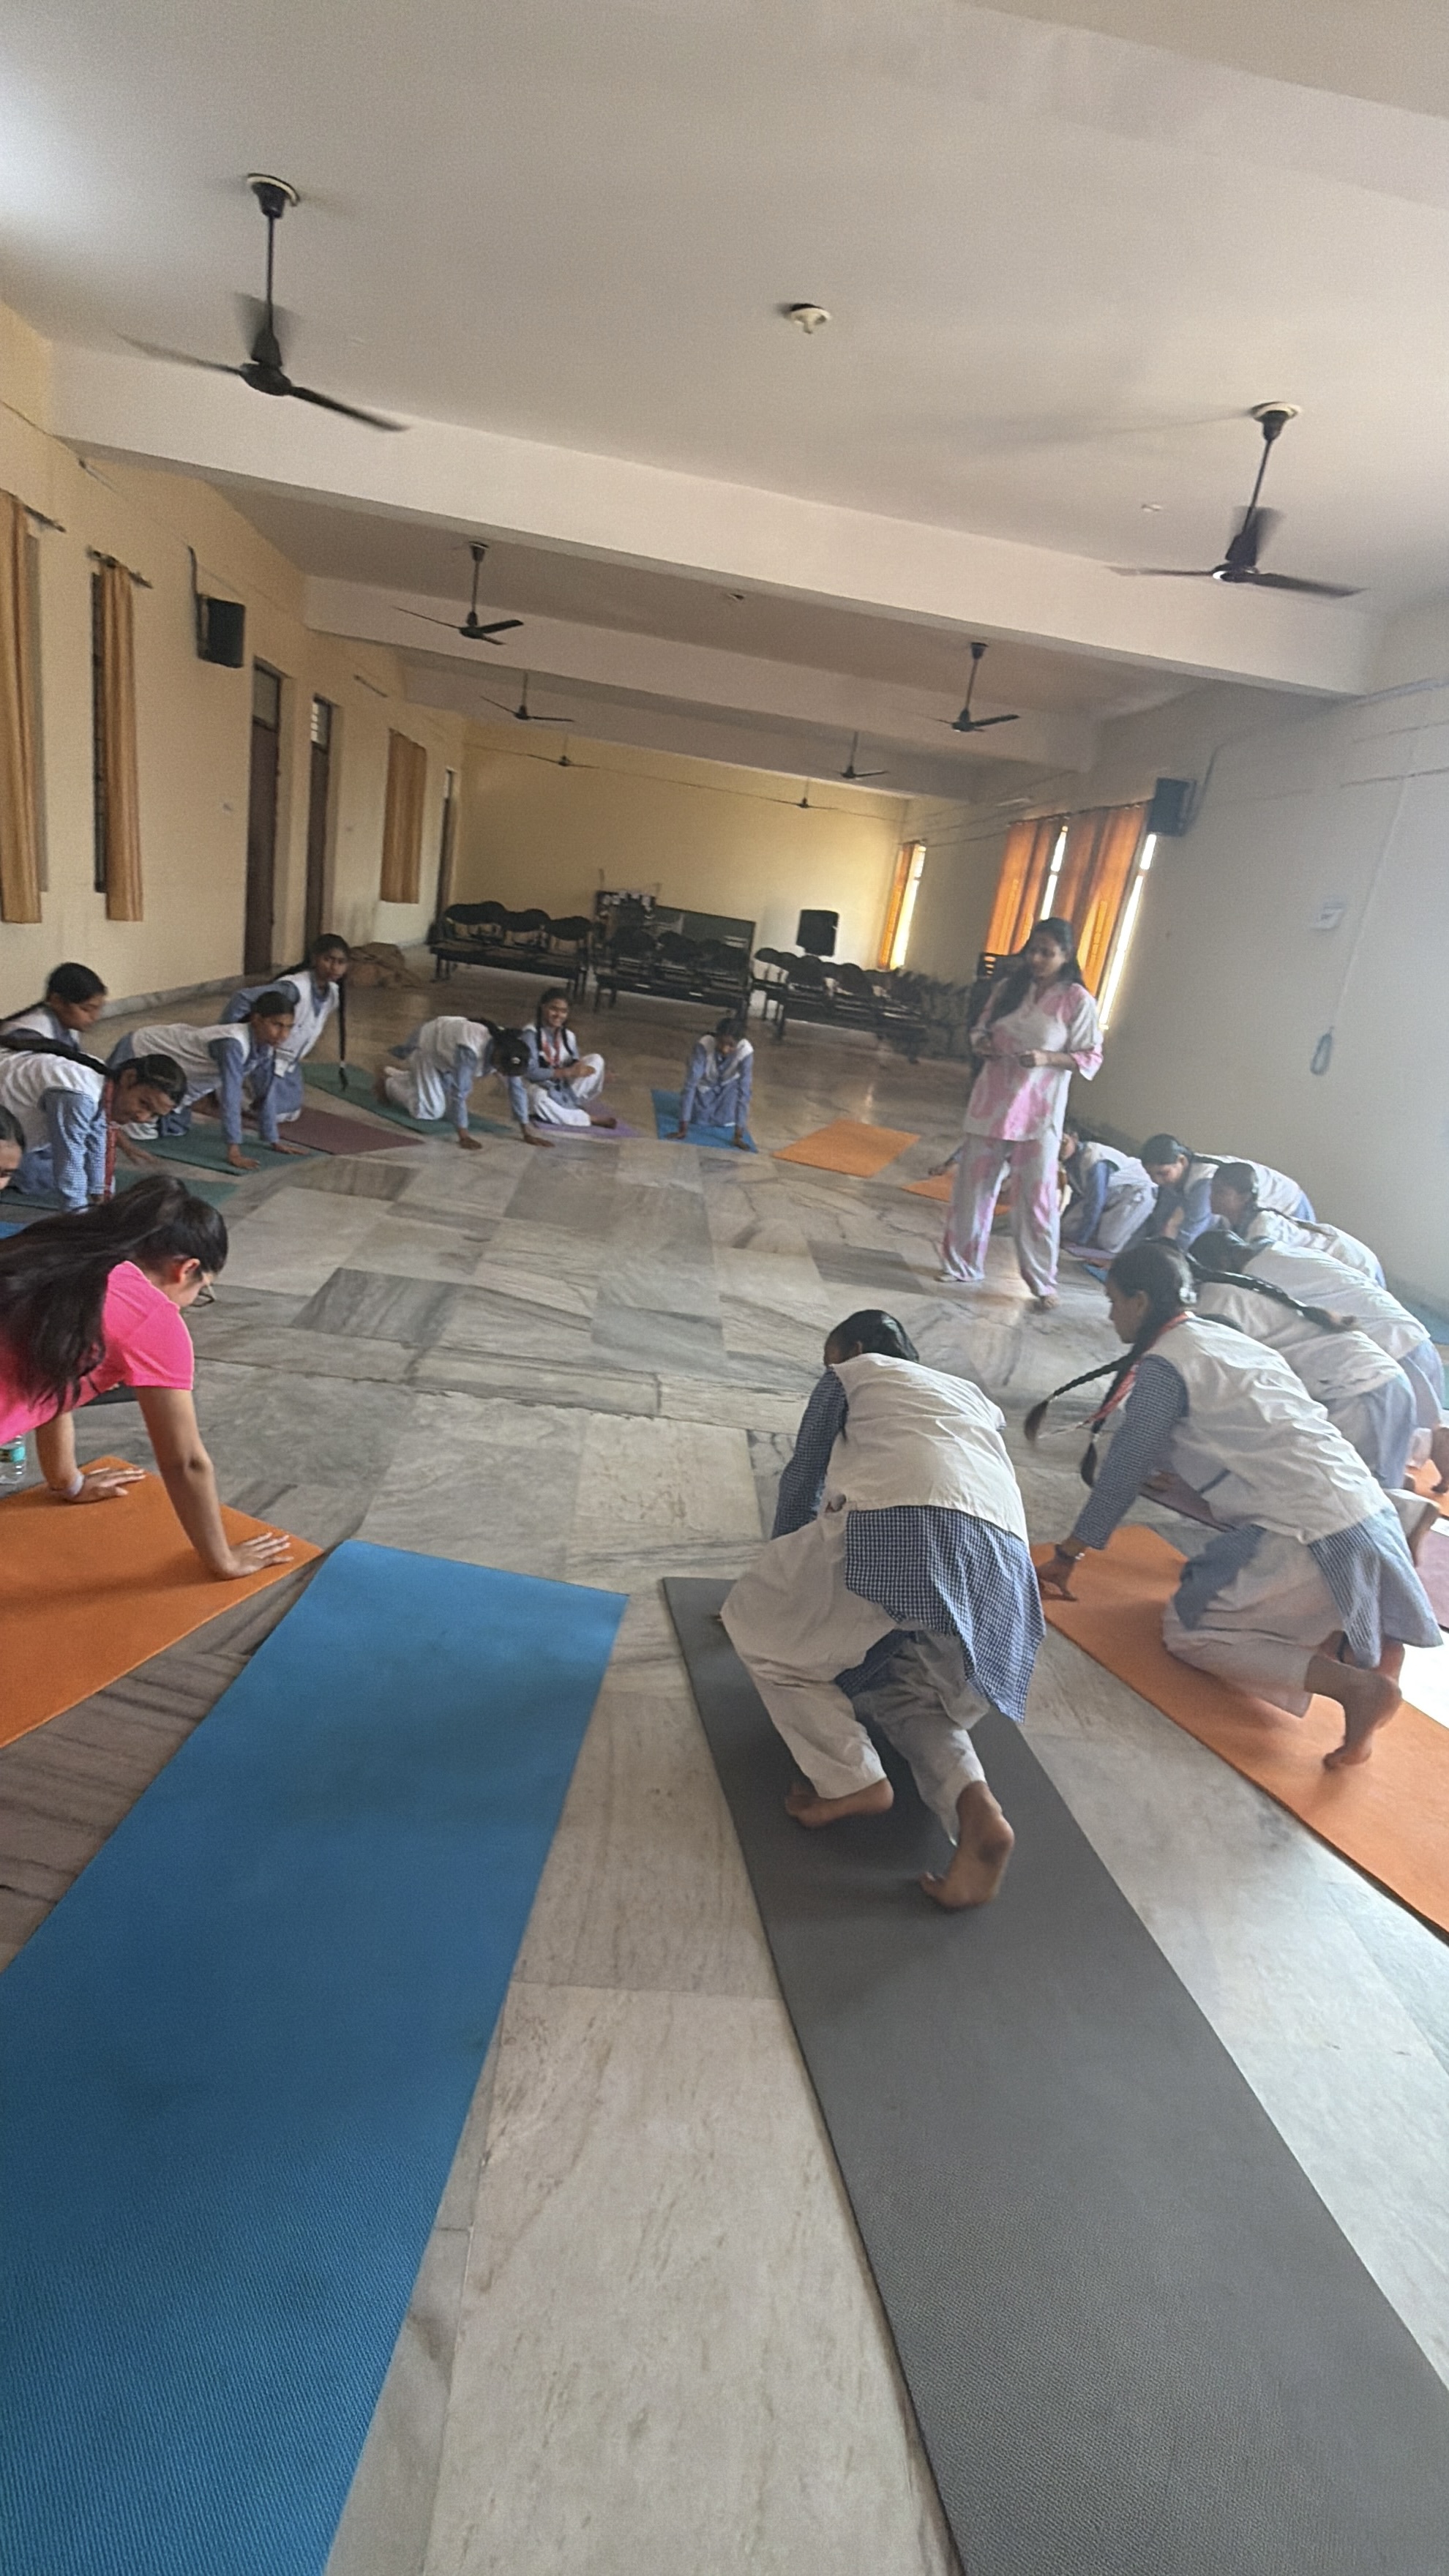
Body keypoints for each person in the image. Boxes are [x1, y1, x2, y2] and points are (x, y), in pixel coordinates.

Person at [1035, 1243, 1438, 1767]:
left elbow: (1124, 1469)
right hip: (1366, 1509)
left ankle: (1354, 1689)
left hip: (1310, 1533)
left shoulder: (1167, 1365)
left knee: (1190, 1631)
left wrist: (1070, 1554)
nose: (1111, 1315)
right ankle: (1395, 1537)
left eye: (1113, 1302)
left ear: (1138, 1301)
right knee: (1212, 1575)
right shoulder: (1227, 1338)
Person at [722, 1308, 1042, 1908]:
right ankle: (980, 1815)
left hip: (907, 1535)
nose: (830, 1367)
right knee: (908, 1695)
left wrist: (780, 1575)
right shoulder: (969, 1398)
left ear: (858, 1347)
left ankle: (852, 1782)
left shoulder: (854, 1374)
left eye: (831, 1355)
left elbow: (803, 1478)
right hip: (1004, 1580)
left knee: (764, 1636)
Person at [0, 1177, 292, 1581]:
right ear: (185, 1269)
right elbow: (184, 1461)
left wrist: (67, 1483)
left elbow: (51, 1378)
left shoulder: (59, 1253)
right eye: (201, 1290)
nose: (192, 1303)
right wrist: (224, 1560)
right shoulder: (150, 1317)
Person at [1194, 1229, 1449, 1491]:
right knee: (1394, 1436)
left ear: (1220, 1266)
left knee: (1374, 1445)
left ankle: (1404, 1483)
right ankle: (1402, 1476)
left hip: (1385, 1349)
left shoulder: (1251, 1282)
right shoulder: (1284, 1253)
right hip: (1407, 1338)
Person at [940, 916, 1102, 1311]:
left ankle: (1042, 1282)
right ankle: (962, 1265)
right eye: (1033, 950)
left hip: (1039, 1114)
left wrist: (1047, 1057)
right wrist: (982, 1045)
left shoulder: (1077, 1000)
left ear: (1066, 956)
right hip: (991, 1105)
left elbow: (1090, 1056)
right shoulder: (1008, 989)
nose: (1037, 959)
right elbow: (979, 1029)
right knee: (973, 1192)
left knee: (1037, 1200)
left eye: (1047, 952)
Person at [108, 996, 306, 1172]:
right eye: (277, 1025)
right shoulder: (232, 1044)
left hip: (177, 1069)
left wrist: (273, 1139)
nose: (283, 1034)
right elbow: (230, 1096)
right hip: (142, 1048)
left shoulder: (265, 1048)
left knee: (175, 1127)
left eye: (288, 1027)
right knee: (116, 1115)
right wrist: (233, 1150)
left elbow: (265, 1092)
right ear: (256, 1019)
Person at [0, 1038, 184, 1213]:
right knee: (41, 1175)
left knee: (61, 1171)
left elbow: (97, 1144)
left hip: (12, 1131)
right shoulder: (78, 1095)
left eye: (153, 1115)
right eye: (144, 1103)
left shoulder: (102, 1086)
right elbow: (69, 1162)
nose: (143, 1118)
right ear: (129, 1078)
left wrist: (104, 1197)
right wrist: (80, 1219)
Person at [222, 933, 351, 1120]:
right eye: (328, 959)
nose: (334, 967)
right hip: (264, 1056)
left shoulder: (333, 994)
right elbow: (241, 998)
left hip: (288, 1062)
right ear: (315, 958)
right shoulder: (294, 988)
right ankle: (225, 1087)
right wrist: (226, 1037)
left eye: (341, 962)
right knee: (273, 1115)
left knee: (292, 1112)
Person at [1205, 1164, 1383, 1281]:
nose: (1211, 1197)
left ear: (1243, 1198)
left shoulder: (1263, 1231)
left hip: (1351, 1262)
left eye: (1220, 1192)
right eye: (1212, 1190)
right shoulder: (1232, 1226)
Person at [1136, 1138, 1313, 1248]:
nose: (1156, 1181)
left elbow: (1192, 1234)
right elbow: (1159, 1219)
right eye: (1150, 1175)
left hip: (1288, 1205)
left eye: (1162, 1174)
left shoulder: (1204, 1181)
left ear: (1182, 1161)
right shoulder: (1175, 1177)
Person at [375, 1014, 522, 1149]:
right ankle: (388, 1085)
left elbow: (516, 1088)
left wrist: (526, 1131)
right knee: (430, 1111)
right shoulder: (470, 1050)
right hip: (426, 1049)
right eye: (502, 1069)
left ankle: (396, 1074)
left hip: (446, 1060)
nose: (502, 1073)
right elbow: (460, 1092)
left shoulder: (510, 1047)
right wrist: (464, 1137)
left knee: (450, 1110)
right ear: (497, 1055)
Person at [504, 988, 614, 1142]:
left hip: (563, 1086)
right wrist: (566, 1073)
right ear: (543, 1007)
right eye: (554, 1009)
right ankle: (588, 1118)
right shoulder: (531, 1034)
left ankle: (571, 1105)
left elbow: (575, 1062)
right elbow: (531, 1072)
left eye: (563, 1011)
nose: (558, 1015)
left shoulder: (568, 1036)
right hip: (539, 1086)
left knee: (597, 1060)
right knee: (538, 1100)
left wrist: (594, 1073)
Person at [1058, 1117, 1156, 1261]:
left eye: (1064, 1143)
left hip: (1134, 1194)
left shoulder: (1094, 1160)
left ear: (1074, 1138)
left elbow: (1096, 1202)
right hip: (1109, 1197)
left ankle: (1126, 1245)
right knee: (1067, 1227)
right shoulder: (1069, 1163)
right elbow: (1078, 1195)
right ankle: (1099, 1231)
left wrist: (1080, 1241)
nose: (1059, 1150)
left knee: (1108, 1242)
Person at [675, 1016, 754, 1147]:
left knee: (726, 1120)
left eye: (731, 1046)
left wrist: (738, 1135)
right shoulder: (704, 1045)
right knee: (699, 1118)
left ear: (739, 1043)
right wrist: (684, 1124)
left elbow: (744, 1092)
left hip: (729, 1089)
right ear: (716, 1038)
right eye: (721, 1043)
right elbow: (691, 1084)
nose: (724, 1049)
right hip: (706, 1086)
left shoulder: (746, 1052)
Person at [1, 962, 108, 1054]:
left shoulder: (67, 1025)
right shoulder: (29, 1036)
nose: (95, 1017)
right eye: (86, 1009)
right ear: (57, 1001)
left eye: (99, 1009)